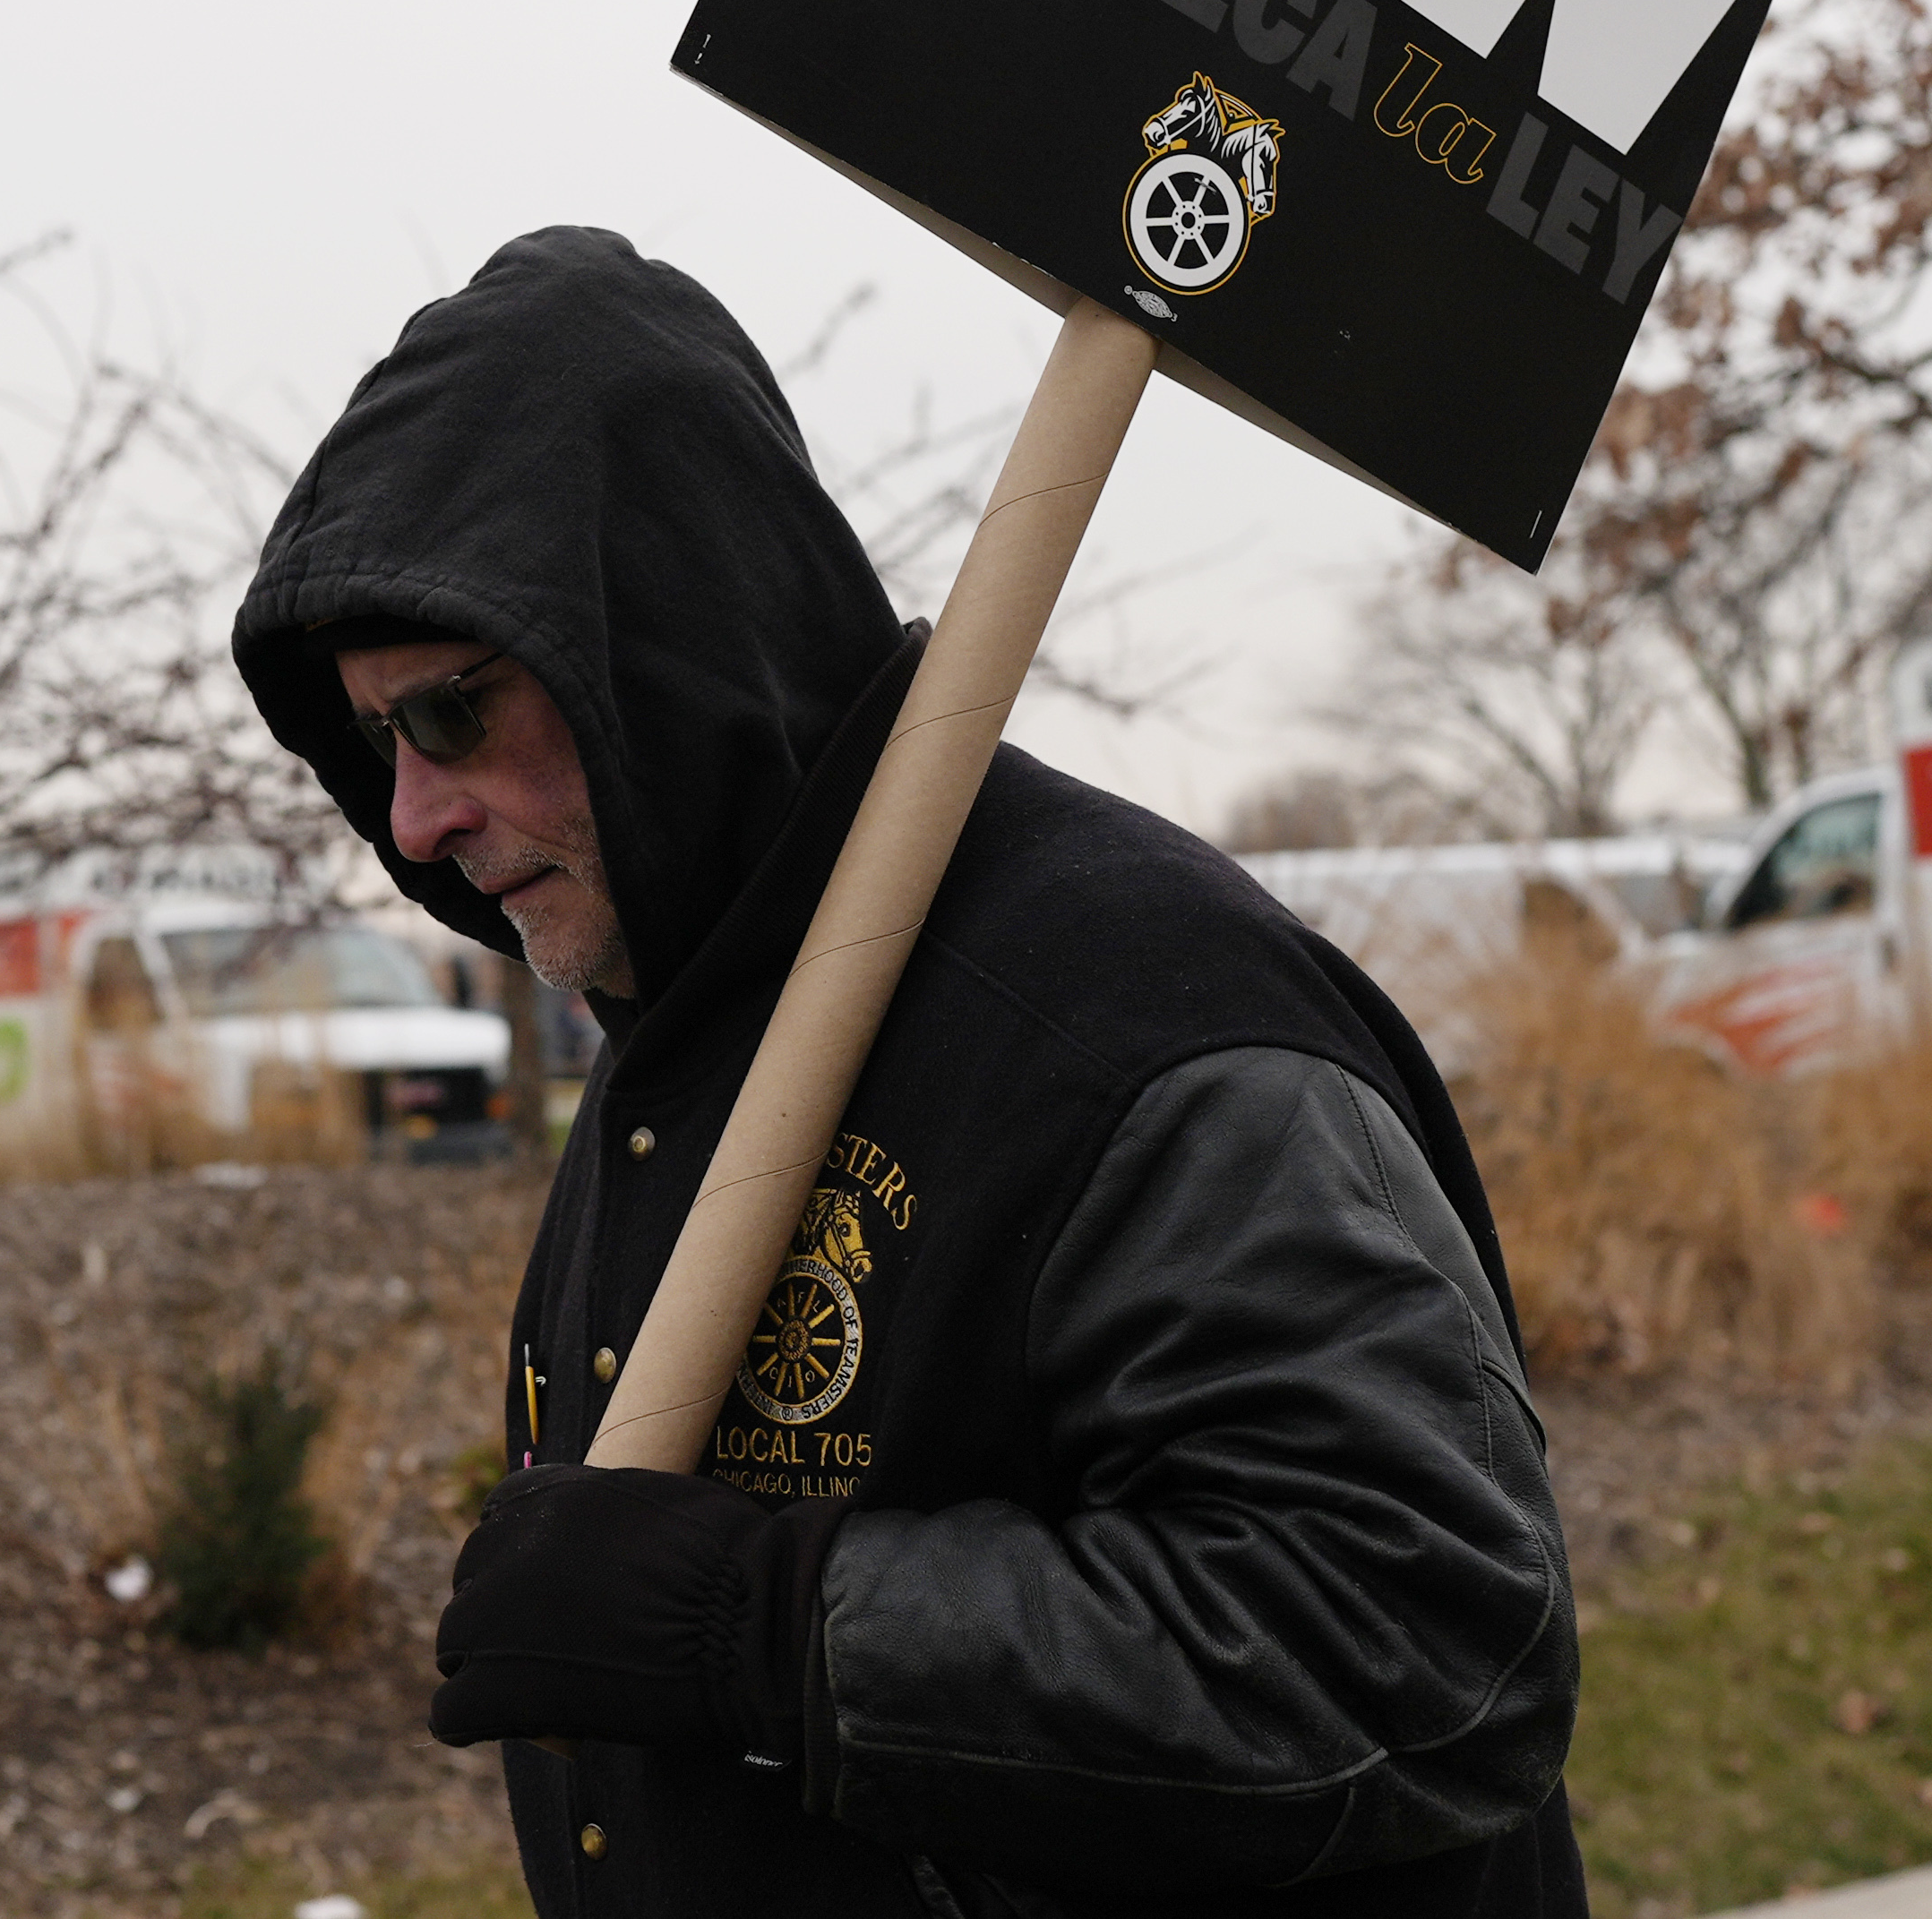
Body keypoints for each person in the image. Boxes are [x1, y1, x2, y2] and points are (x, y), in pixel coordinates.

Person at [234, 229, 1584, 1919]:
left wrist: (763, 1630)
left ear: (653, 637)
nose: (416, 817)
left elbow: (1426, 1644)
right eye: (378, 749)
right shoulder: (694, 1046)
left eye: (453, 714)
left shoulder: (1133, 1019)